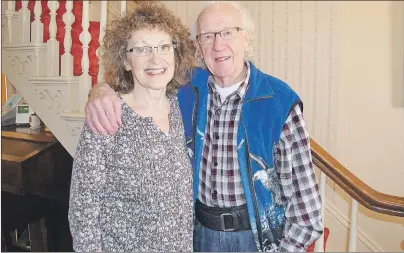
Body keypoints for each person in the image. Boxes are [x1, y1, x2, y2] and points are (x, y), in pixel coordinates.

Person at [85, 2, 324, 252]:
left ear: (246, 38)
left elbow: (307, 216)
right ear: (198, 47)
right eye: (207, 36)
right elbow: (140, 79)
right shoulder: (185, 89)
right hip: (196, 236)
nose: (218, 45)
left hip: (254, 240)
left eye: (229, 32)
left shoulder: (279, 103)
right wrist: (101, 90)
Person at [68, 2, 197, 252]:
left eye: (163, 47)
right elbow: (83, 210)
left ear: (175, 54)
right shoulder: (108, 115)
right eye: (141, 49)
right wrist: (101, 90)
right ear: (125, 61)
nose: (155, 58)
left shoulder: (181, 105)